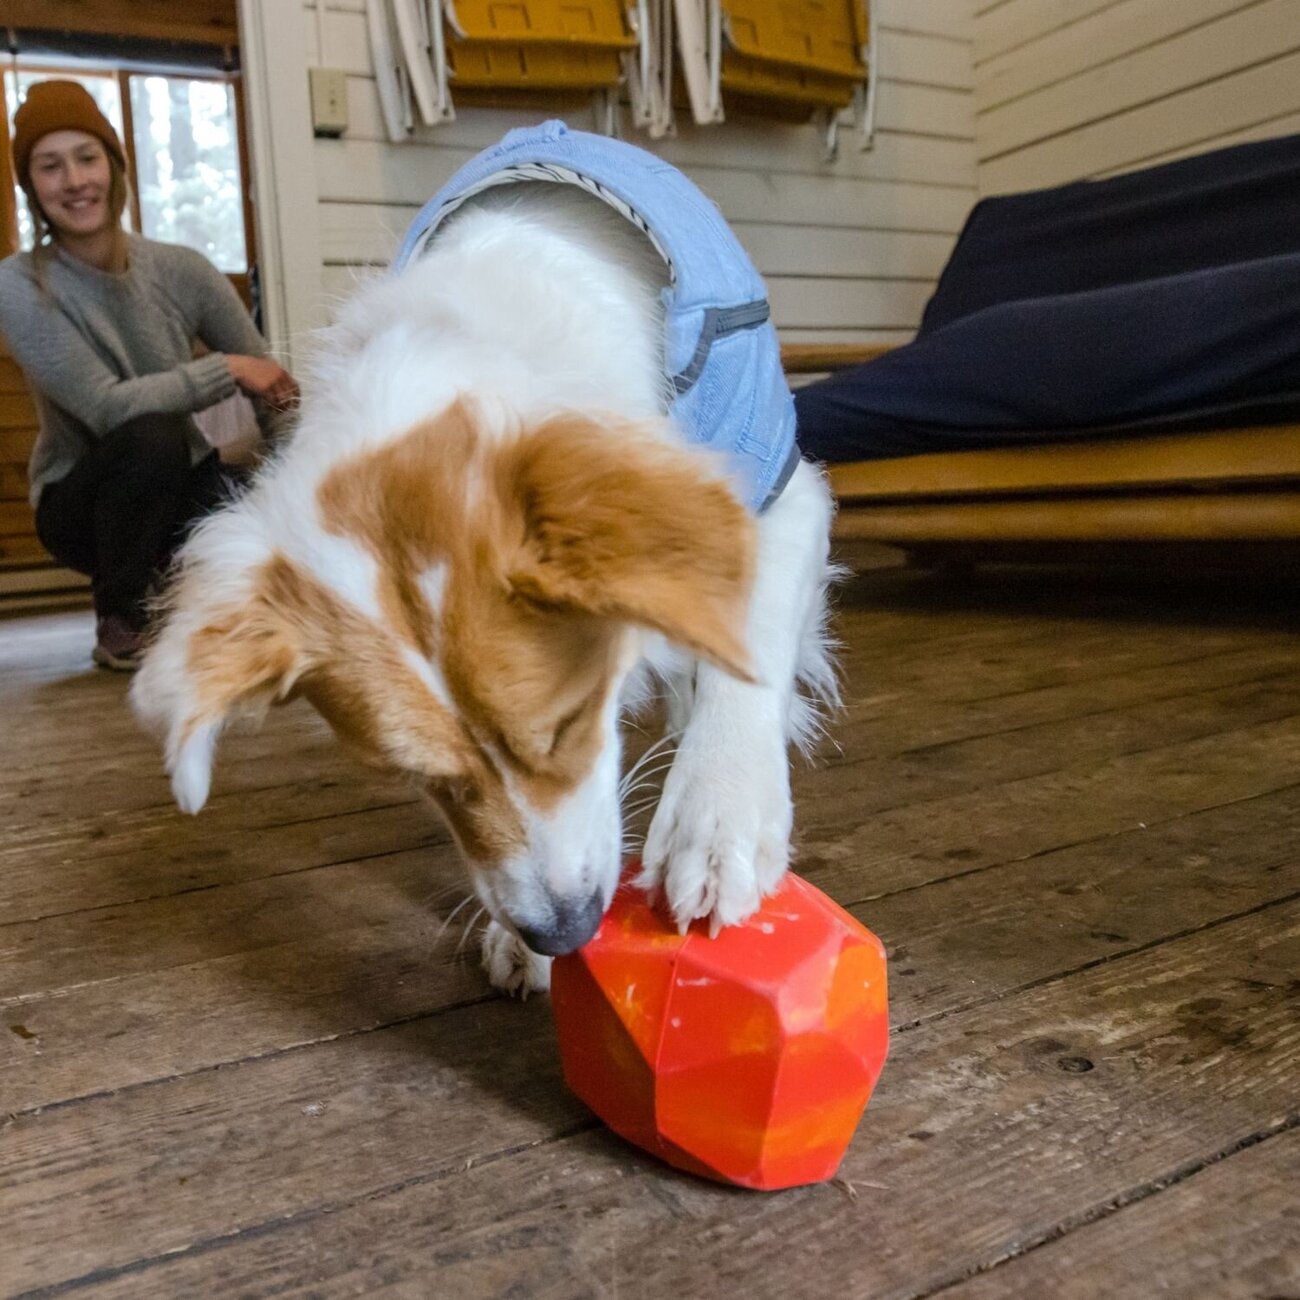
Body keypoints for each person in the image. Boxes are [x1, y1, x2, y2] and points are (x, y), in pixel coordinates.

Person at [0, 79, 299, 670]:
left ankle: (175, 582)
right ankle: (124, 615)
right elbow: (106, 406)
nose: (75, 180)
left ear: (113, 165)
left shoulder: (182, 269)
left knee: (258, 516)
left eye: (87, 158)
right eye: (50, 167)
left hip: (183, 478)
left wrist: (301, 479)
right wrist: (225, 370)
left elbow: (272, 387)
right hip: (80, 503)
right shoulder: (18, 284)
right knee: (153, 436)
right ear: (31, 187)